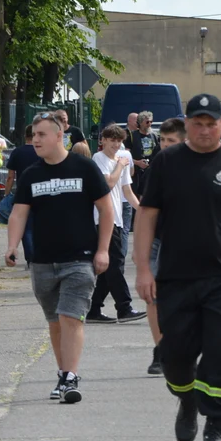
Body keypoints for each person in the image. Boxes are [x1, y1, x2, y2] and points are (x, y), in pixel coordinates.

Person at [134, 93, 221, 441]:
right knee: (174, 355)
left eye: (212, 123)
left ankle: (216, 430)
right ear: (187, 123)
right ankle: (187, 398)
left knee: (220, 349)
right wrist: (143, 269)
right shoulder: (167, 163)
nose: (206, 130)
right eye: (198, 123)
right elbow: (146, 217)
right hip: (175, 276)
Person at [5, 112, 113, 404]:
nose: (35, 140)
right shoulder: (32, 174)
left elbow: (106, 209)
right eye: (33, 135)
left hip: (80, 258)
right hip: (42, 260)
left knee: (71, 317)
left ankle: (71, 376)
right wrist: (12, 245)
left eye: (41, 135)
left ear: (58, 136)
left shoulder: (84, 168)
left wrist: (103, 250)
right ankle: (64, 372)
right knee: (55, 321)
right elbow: (18, 213)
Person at [86, 125, 146, 324]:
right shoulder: (98, 159)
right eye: (112, 140)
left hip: (118, 218)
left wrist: (142, 211)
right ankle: (124, 307)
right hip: (103, 219)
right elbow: (108, 183)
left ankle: (93, 309)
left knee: (109, 268)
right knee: (116, 265)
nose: (116, 144)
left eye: (119, 141)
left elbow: (127, 191)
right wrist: (120, 164)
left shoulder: (121, 159)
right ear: (103, 140)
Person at [142, 116, 185, 376]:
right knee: (154, 297)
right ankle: (160, 348)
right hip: (159, 239)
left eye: (171, 141)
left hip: (187, 241)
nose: (166, 145)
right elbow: (147, 208)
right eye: (163, 140)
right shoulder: (158, 164)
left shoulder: (196, 164)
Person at [5, 126, 39, 265]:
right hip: (40, 191)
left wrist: (7, 193)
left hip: (23, 193)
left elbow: (10, 176)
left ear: (25, 136)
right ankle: (39, 256)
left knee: (26, 228)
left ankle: (30, 258)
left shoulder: (17, 152)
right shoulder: (41, 151)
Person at [129, 111, 160, 197]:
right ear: (140, 122)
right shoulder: (132, 136)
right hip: (136, 173)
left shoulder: (154, 135)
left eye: (151, 121)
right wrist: (138, 162)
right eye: (147, 122)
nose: (149, 124)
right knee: (136, 196)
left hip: (150, 172)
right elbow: (125, 156)